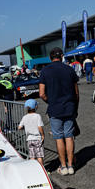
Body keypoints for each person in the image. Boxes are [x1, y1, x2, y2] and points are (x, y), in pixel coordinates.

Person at [39, 47, 79, 176]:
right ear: (61, 56)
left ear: (50, 57)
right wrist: (75, 107)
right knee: (69, 136)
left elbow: (41, 94)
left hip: (54, 108)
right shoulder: (69, 69)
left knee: (58, 137)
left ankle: (63, 166)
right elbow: (76, 93)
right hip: (69, 107)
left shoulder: (44, 71)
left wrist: (51, 102)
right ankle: (71, 165)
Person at [18, 99, 45, 165]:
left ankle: (33, 169)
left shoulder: (25, 117)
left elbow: (19, 127)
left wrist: (26, 127)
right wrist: (43, 135)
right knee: (39, 155)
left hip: (29, 139)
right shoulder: (37, 116)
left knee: (32, 156)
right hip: (37, 138)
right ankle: (41, 169)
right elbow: (39, 127)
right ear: (36, 107)